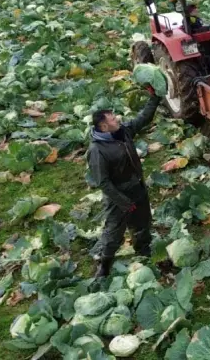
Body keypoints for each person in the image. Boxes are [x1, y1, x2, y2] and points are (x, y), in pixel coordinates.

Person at [88, 87, 161, 277]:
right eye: (113, 119)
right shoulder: (97, 150)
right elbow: (103, 182)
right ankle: (104, 266)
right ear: (104, 127)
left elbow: (143, 118)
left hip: (137, 188)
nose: (117, 119)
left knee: (143, 224)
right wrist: (124, 203)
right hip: (118, 197)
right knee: (113, 233)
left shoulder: (123, 132)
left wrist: (155, 97)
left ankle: (144, 253)